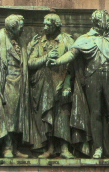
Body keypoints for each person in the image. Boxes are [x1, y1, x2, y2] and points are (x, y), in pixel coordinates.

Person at [51, 10, 109, 159]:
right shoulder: (85, 38)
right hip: (92, 76)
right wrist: (57, 61)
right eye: (106, 20)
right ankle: (98, 148)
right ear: (97, 21)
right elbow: (72, 54)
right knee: (95, 113)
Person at [0, 14, 35, 158]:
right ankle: (7, 147)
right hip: (5, 83)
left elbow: (25, 61)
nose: (23, 30)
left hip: (20, 82)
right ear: (13, 27)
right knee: (8, 116)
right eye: (21, 27)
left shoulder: (21, 41)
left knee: (18, 117)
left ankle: (15, 147)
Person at [27, 13, 76, 158]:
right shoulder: (39, 42)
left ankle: (65, 148)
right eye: (44, 24)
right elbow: (30, 63)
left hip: (61, 83)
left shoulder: (67, 40)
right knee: (47, 116)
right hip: (43, 85)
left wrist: (67, 84)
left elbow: (73, 65)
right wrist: (46, 57)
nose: (45, 27)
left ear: (56, 25)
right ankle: (49, 148)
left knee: (62, 115)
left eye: (48, 24)